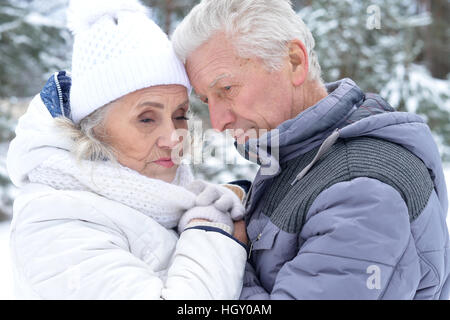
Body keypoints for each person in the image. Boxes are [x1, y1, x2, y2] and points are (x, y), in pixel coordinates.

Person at [172, 0, 450, 299]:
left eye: (226, 89)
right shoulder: (305, 154)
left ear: (293, 61)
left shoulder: (360, 188)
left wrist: (223, 247)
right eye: (206, 100)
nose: (218, 122)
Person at [6, 0, 248, 299]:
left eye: (180, 115)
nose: (174, 138)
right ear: (93, 128)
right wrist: (210, 232)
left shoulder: (163, 196)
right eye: (146, 118)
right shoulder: (54, 220)